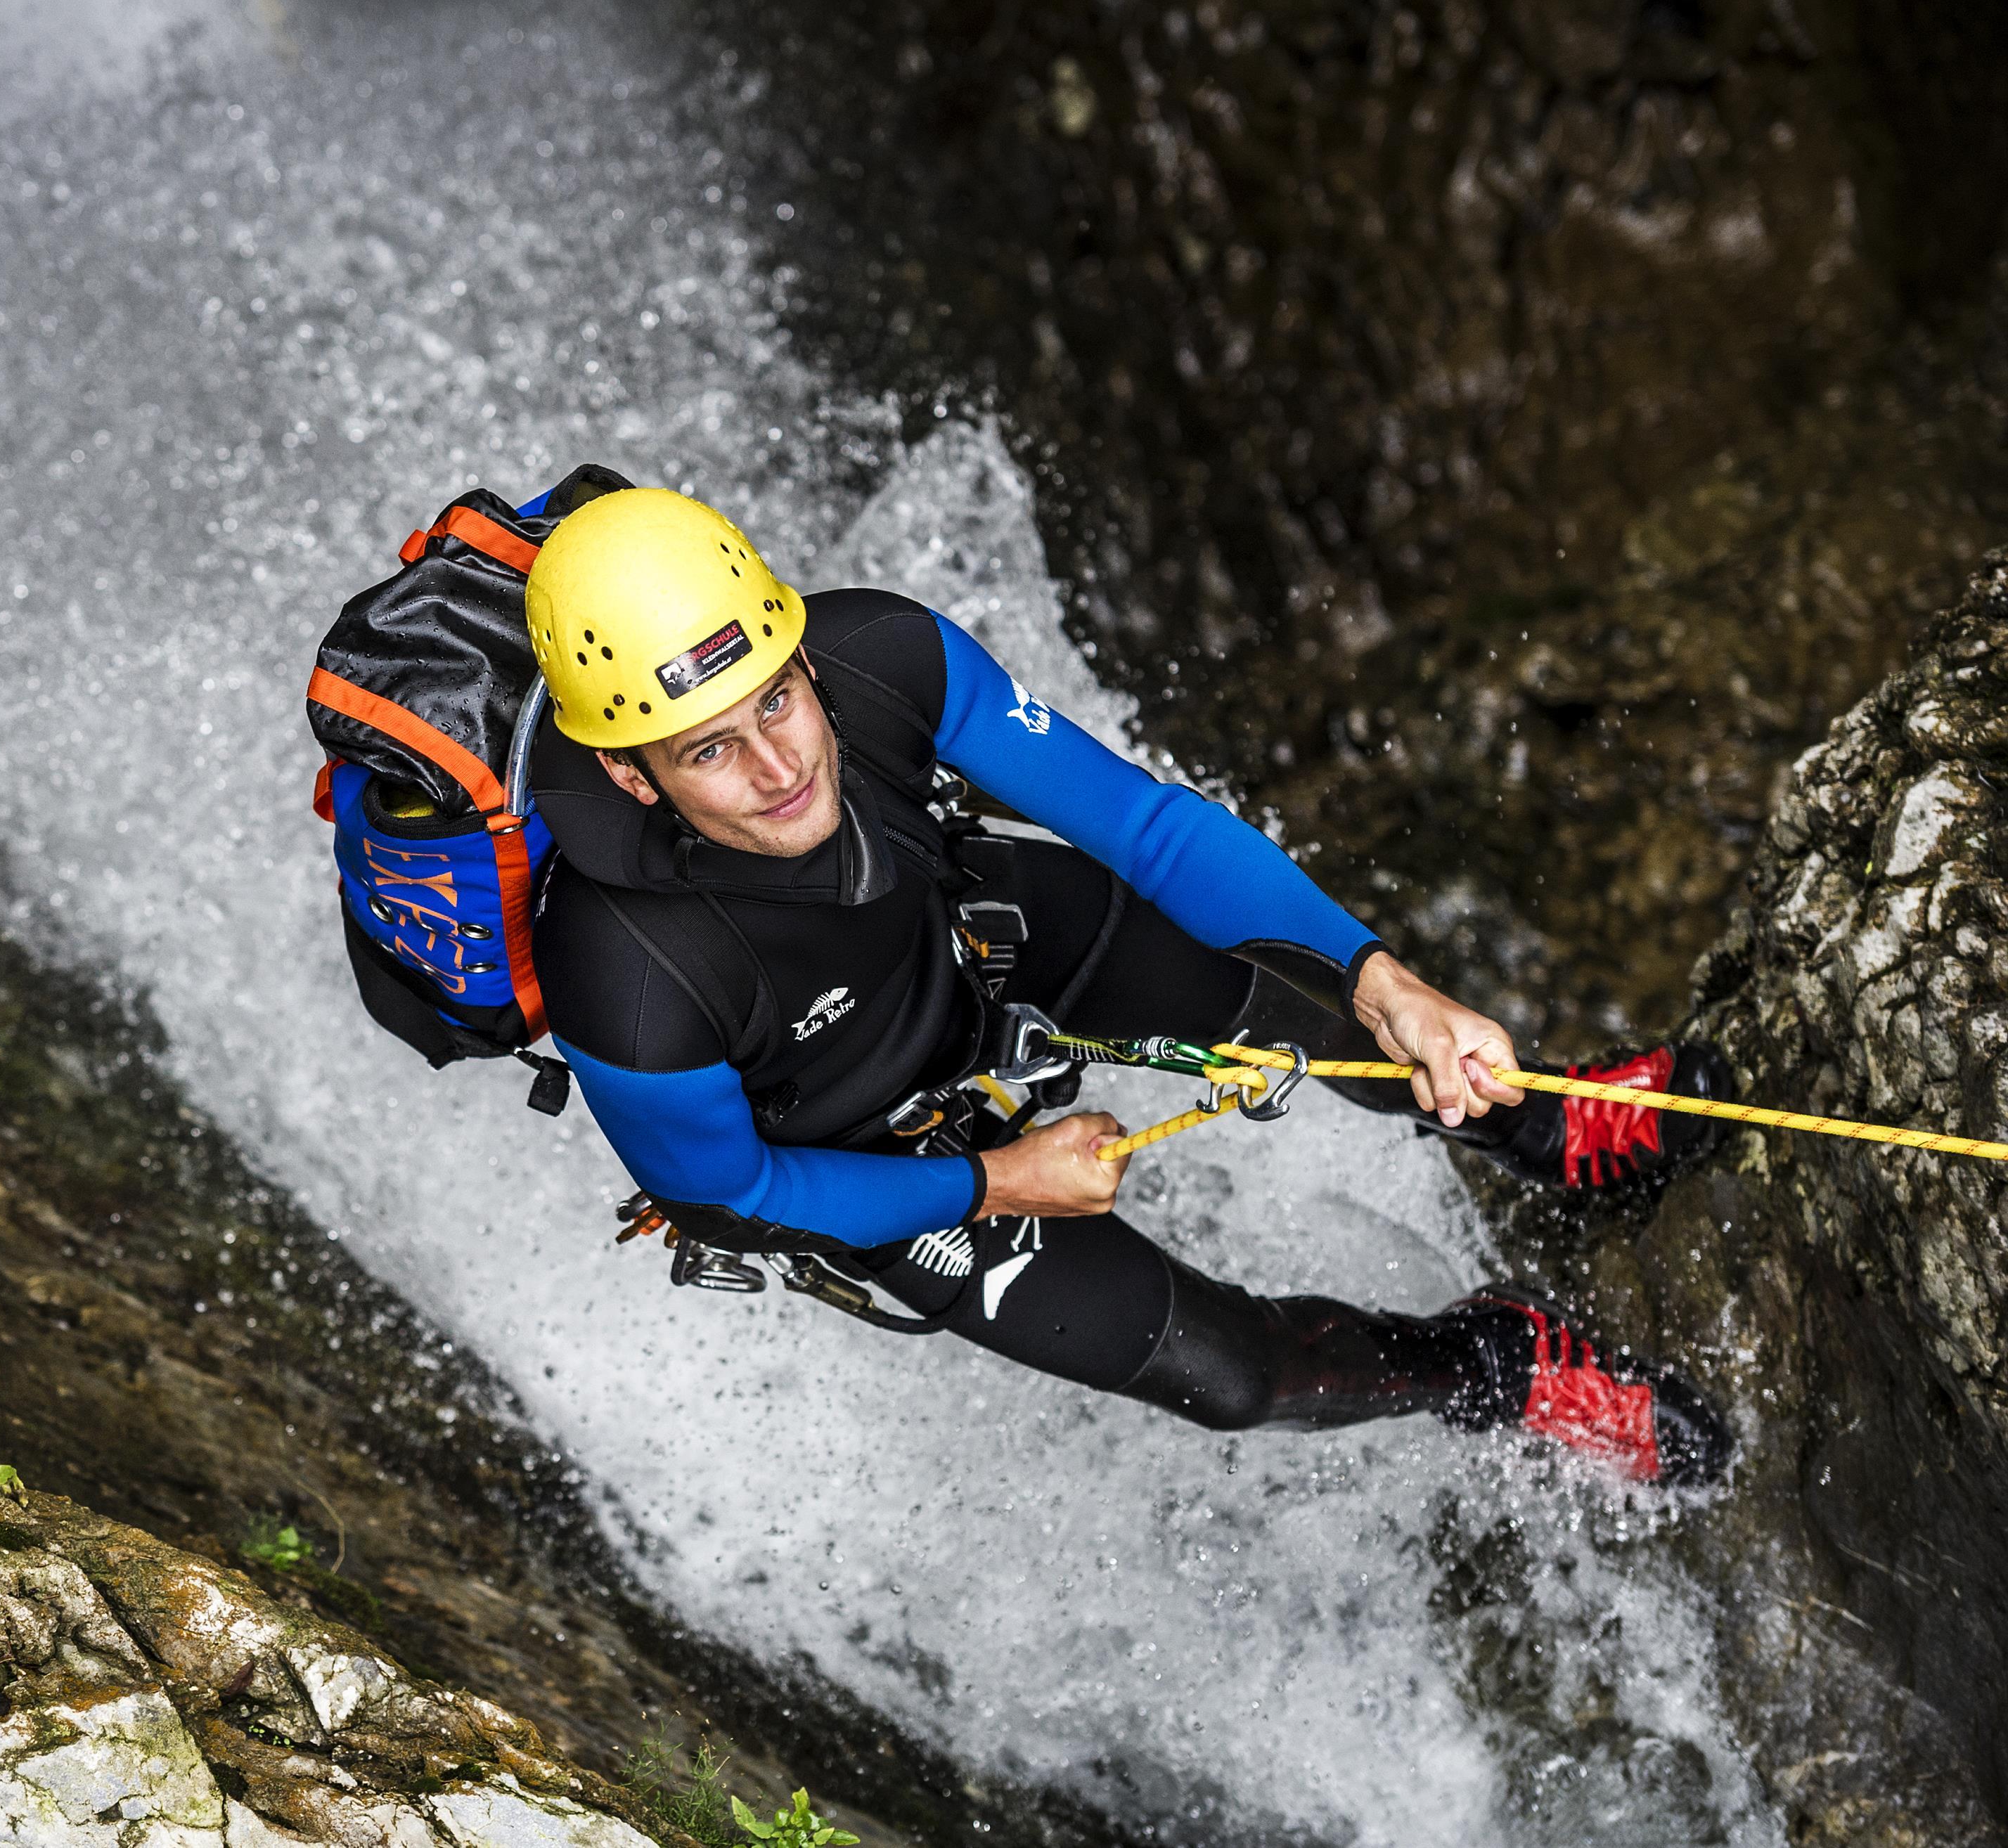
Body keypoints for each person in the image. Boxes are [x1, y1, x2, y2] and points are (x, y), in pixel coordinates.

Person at [520, 487, 1734, 1487]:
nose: (783, 768)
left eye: (775, 698)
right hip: (880, 1159)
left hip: (989, 942)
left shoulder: (883, 656)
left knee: (1300, 997)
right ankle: (1497, 1361)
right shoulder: (621, 973)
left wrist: (1385, 981)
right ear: (630, 775)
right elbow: (740, 1197)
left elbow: (1147, 829)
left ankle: (1547, 1119)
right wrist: (999, 1181)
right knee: (1238, 1378)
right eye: (709, 750)